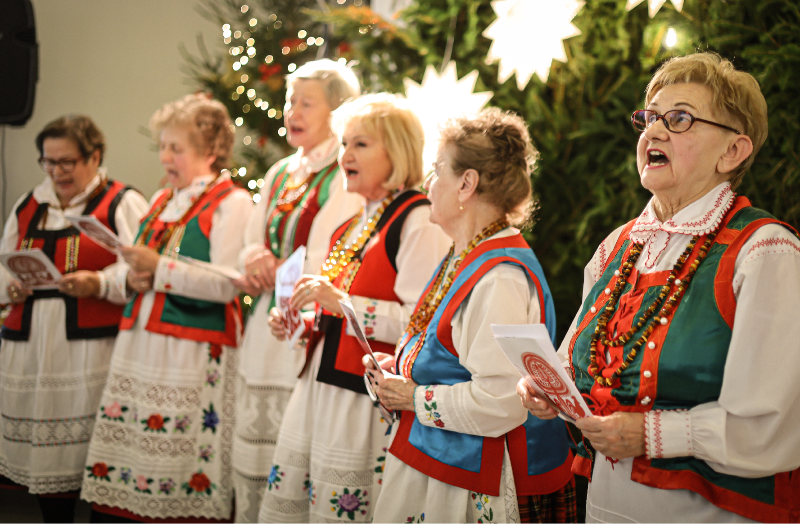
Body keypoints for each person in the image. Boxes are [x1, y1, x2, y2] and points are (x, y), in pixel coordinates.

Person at [519, 52, 800, 524]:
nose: (653, 131)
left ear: (733, 152)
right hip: (608, 506)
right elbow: (572, 365)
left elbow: (775, 428)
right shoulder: (617, 246)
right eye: (649, 118)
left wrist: (651, 434)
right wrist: (550, 392)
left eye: (680, 118)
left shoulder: (766, 252)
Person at [367, 108, 576, 524]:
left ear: (467, 183)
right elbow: (451, 354)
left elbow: (501, 401)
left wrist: (411, 396)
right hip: (442, 458)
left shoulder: (499, 277)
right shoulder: (465, 253)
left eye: (437, 170)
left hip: (479, 476)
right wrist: (402, 366)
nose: (428, 183)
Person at [257, 94, 450, 523]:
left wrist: (343, 304)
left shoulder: (417, 220)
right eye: (344, 144)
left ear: (397, 151)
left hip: (361, 400)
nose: (345, 155)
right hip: (318, 386)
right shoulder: (352, 224)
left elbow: (425, 324)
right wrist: (302, 322)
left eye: (360, 144)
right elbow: (337, 312)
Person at [80, 94, 253, 523]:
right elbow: (134, 269)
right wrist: (128, 278)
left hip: (192, 350)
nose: (165, 156)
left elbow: (228, 284)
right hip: (139, 345)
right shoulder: (161, 200)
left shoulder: (232, 203)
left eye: (177, 148)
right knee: (129, 462)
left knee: (180, 463)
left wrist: (159, 271)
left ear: (210, 151)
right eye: (163, 146)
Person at [0, 115, 149, 524]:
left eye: (67, 162)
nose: (57, 171)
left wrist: (98, 283)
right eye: (48, 162)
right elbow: (5, 260)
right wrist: (10, 286)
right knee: (46, 463)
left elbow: (141, 267)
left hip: (90, 349)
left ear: (94, 156)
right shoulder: (31, 203)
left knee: (95, 454)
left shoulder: (122, 201)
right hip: (32, 345)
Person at [232, 59, 362, 523]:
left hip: (308, 324)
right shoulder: (282, 170)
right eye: (290, 101)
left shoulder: (345, 174)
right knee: (253, 452)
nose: (293, 111)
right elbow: (252, 235)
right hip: (266, 324)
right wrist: (254, 257)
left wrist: (288, 268)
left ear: (339, 111)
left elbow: (338, 253)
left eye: (307, 103)